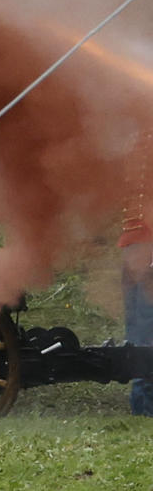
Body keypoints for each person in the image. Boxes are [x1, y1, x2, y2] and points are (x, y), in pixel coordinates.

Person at [122, 128, 153, 417]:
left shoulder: (137, 143)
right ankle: (146, 411)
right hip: (145, 249)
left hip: (135, 247)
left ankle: (141, 407)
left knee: (139, 332)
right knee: (145, 333)